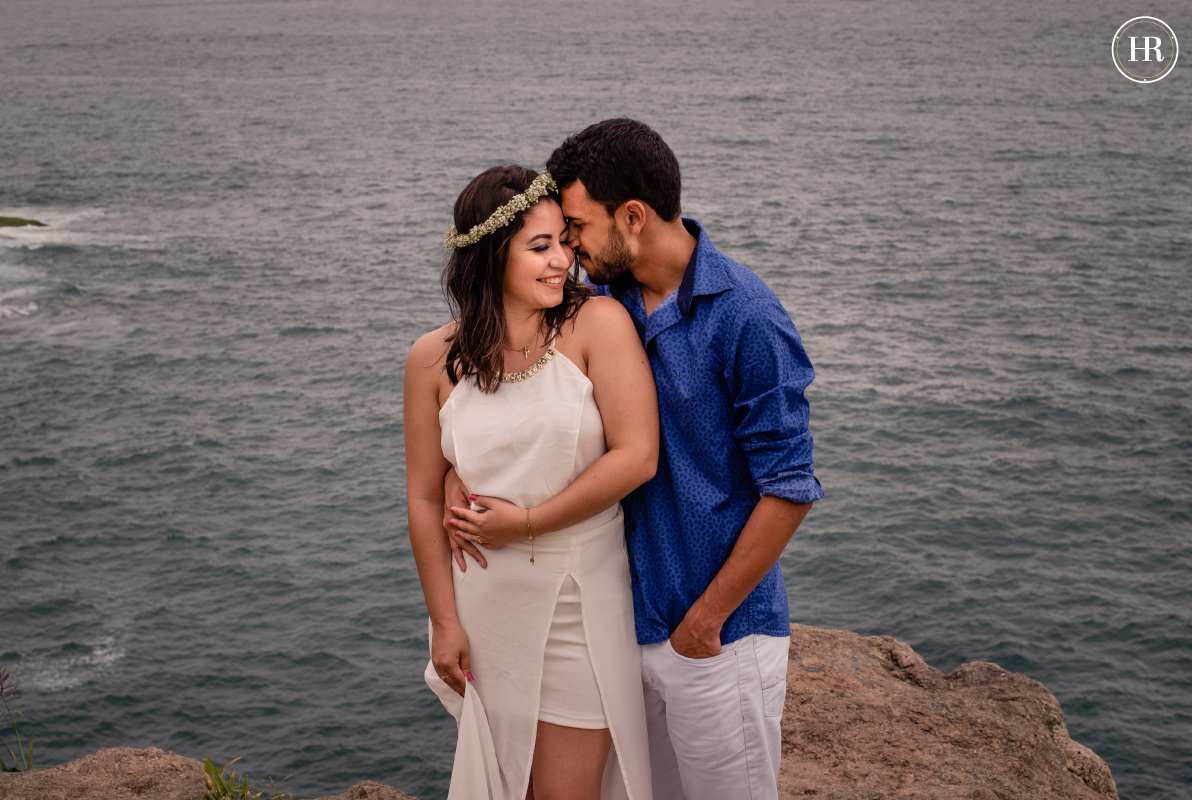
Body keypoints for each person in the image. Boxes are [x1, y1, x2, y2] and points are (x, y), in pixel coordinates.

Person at [447, 120, 823, 800]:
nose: (569, 249)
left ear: (632, 217)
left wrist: (706, 623)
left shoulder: (747, 317)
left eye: (577, 229)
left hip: (715, 638)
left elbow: (790, 487)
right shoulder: (601, 303)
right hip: (622, 630)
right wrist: (453, 469)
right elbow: (501, 375)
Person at [404, 164, 659, 800]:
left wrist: (524, 524)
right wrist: (443, 622)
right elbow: (424, 494)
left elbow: (637, 456)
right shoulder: (431, 358)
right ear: (491, 257)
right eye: (539, 247)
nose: (561, 262)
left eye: (563, 244)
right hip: (484, 607)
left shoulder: (597, 326)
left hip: (581, 598)